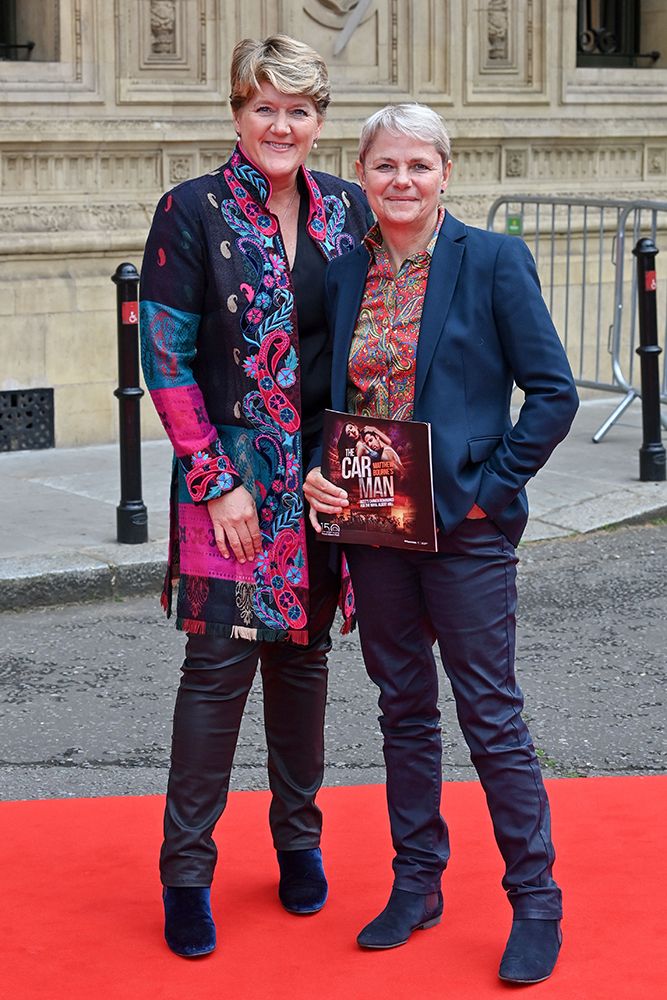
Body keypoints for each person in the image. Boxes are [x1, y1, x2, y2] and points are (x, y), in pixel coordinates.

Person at [304, 103, 579, 984]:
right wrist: (321, 471)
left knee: (490, 716)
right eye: (385, 166)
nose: (401, 181)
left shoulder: (492, 260)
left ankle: (534, 899)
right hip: (374, 525)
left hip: (462, 531)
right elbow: (333, 397)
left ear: (445, 174)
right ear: (363, 173)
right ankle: (417, 881)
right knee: (401, 711)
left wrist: (485, 499)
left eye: (418, 165)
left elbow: (551, 395)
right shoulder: (345, 273)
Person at [139, 34, 370, 958]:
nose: (282, 124)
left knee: (304, 667)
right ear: (237, 111)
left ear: (319, 120)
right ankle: (185, 872)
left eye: (300, 109)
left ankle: (298, 843)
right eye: (264, 106)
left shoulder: (345, 209)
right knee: (216, 674)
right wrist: (217, 480)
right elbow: (165, 358)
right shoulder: (189, 211)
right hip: (226, 486)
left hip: (316, 484)